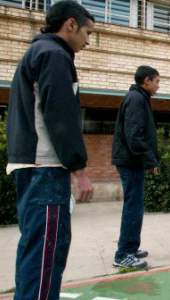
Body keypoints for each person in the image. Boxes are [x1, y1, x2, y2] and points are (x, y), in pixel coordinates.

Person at [6, 2, 94, 299]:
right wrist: (79, 170)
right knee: (46, 256)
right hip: (45, 169)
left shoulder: (38, 53)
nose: (88, 40)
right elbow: (60, 116)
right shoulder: (54, 55)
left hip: (32, 166)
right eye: (87, 32)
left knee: (36, 253)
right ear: (70, 24)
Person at [112, 65, 160, 268]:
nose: (158, 85)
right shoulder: (136, 99)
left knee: (136, 207)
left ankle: (131, 248)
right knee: (133, 207)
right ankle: (123, 254)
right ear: (146, 81)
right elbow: (134, 136)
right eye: (157, 81)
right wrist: (150, 160)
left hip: (133, 162)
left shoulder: (139, 98)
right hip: (130, 162)